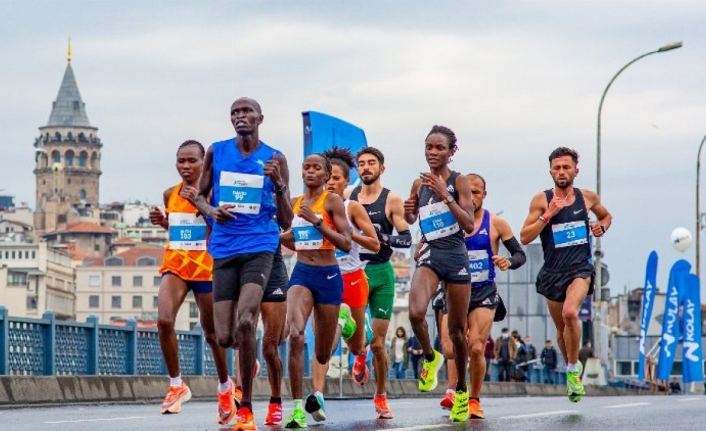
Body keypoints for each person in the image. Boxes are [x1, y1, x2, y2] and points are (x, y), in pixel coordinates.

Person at [193, 97, 292, 430]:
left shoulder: (275, 158)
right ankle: (247, 355)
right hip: (224, 248)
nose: (240, 116)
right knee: (225, 337)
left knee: (247, 321)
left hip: (260, 245)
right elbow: (199, 196)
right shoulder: (217, 152)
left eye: (246, 111)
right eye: (234, 112)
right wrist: (211, 211)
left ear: (260, 117)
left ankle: (247, 408)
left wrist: (278, 184)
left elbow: (287, 219)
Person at [149, 140, 235, 422]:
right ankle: (176, 385)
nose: (186, 166)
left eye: (192, 161)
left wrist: (197, 201)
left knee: (213, 335)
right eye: (181, 161)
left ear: (203, 163)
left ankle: (225, 387)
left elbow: (222, 224)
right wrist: (162, 221)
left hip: (207, 268)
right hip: (176, 265)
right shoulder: (169, 193)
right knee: (163, 320)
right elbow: (178, 227)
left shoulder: (213, 192)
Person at [520, 146, 612, 403]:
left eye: (566, 167)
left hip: (580, 269)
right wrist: (547, 215)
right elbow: (525, 237)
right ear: (550, 171)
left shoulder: (587, 198)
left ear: (575, 170)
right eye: (557, 168)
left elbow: (606, 217)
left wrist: (600, 227)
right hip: (553, 272)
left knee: (571, 313)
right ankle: (572, 365)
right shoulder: (541, 200)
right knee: (561, 331)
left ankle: (573, 371)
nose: (562, 172)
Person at [404, 125, 475, 422]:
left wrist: (446, 196)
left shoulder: (460, 181)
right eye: (428, 147)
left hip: (455, 254)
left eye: (439, 148)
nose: (433, 153)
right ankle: (430, 358)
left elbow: (469, 224)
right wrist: (409, 210)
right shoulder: (419, 184)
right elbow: (411, 218)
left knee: (458, 331)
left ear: (451, 152)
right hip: (431, 253)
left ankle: (460, 390)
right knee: (416, 313)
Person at [305, 146, 380, 422]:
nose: (330, 183)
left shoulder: (352, 207)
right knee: (321, 342)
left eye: (336, 178)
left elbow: (375, 243)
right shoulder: (313, 205)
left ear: (347, 181)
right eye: (328, 178)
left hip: (353, 278)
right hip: (323, 276)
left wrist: (349, 234)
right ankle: (318, 396)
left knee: (357, 344)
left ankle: (362, 342)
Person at [279, 153, 352, 429]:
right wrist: (280, 238)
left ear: (325, 174)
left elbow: (345, 243)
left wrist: (318, 222)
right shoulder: (294, 203)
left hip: (329, 275)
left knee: (322, 355)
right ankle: (297, 408)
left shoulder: (332, 201)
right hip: (302, 274)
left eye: (316, 168)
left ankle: (342, 320)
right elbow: (293, 238)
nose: (310, 172)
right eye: (306, 167)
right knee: (296, 334)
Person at [348, 146, 413, 419]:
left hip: (382, 272)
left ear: (381, 168)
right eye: (361, 163)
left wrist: (381, 240)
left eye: (371, 163)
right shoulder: (348, 198)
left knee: (379, 344)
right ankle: (359, 352)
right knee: (357, 335)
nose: (365, 168)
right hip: (355, 271)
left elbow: (407, 239)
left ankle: (381, 395)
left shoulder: (391, 200)